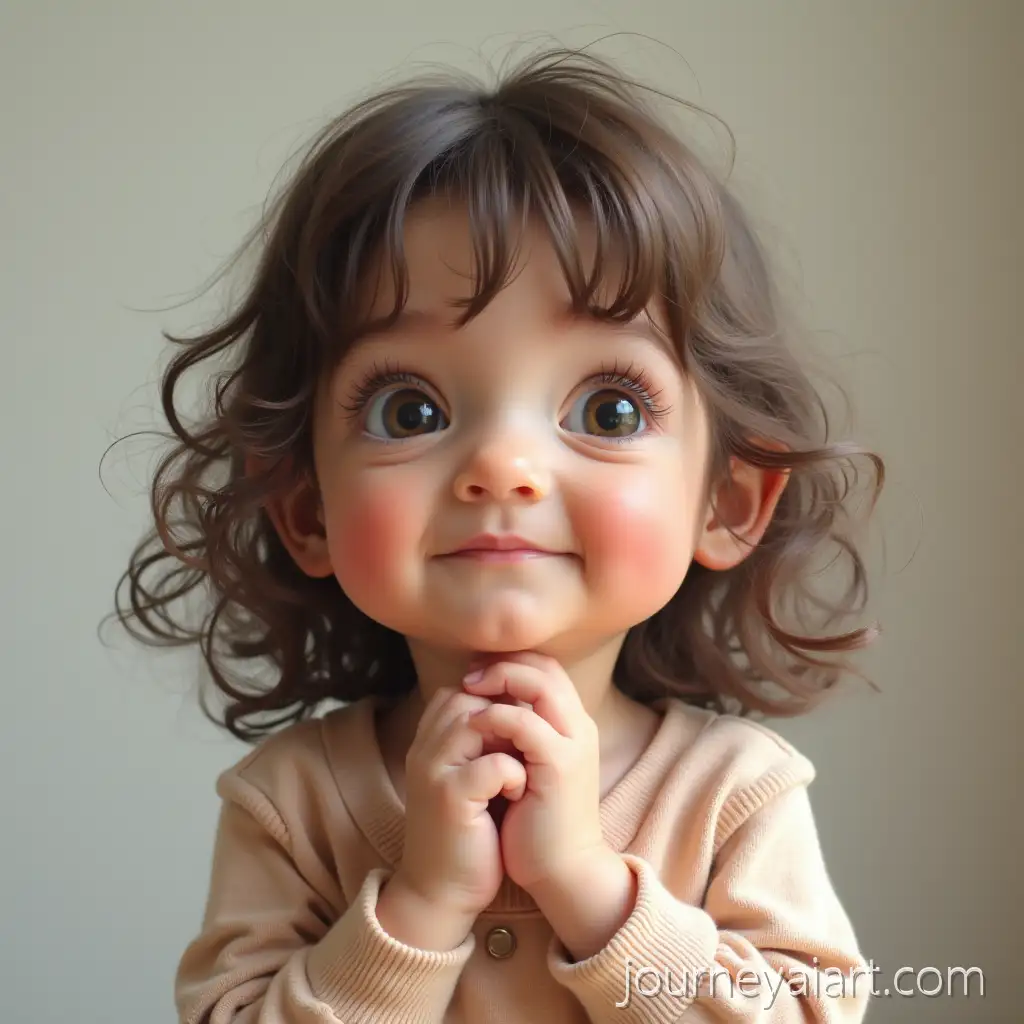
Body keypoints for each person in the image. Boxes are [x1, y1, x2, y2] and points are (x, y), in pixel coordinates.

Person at [117, 46, 883, 1023]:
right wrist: (419, 904)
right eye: (410, 410)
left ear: (725, 502)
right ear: (307, 508)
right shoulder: (293, 804)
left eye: (607, 410)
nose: (502, 464)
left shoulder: (733, 795)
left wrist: (587, 886)